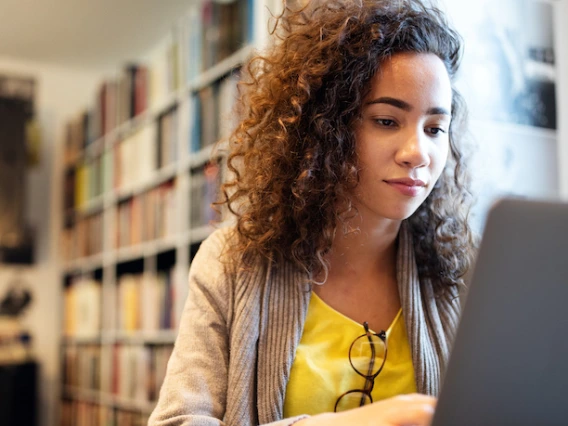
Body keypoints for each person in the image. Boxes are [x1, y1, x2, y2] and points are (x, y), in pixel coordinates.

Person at [149, 0, 476, 425]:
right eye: (386, 121)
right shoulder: (231, 263)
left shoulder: (462, 273)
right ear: (327, 127)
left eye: (435, 129)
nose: (418, 154)